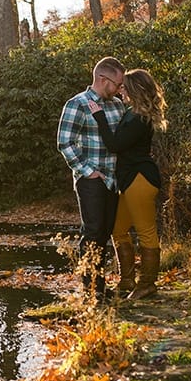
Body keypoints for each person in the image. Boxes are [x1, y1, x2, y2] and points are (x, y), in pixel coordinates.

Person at [87, 68, 168, 300]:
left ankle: (147, 284)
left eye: (125, 87)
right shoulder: (131, 112)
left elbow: (114, 144)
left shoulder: (140, 118)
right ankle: (126, 281)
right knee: (118, 229)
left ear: (134, 89)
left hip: (140, 179)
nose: (121, 90)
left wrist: (99, 116)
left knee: (146, 231)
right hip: (128, 179)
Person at [57, 57, 126, 301]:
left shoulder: (117, 106)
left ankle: (101, 286)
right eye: (117, 84)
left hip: (113, 179)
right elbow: (65, 142)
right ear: (102, 79)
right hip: (91, 179)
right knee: (93, 231)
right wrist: (87, 171)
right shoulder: (78, 104)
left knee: (106, 232)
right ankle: (91, 291)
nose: (119, 89)